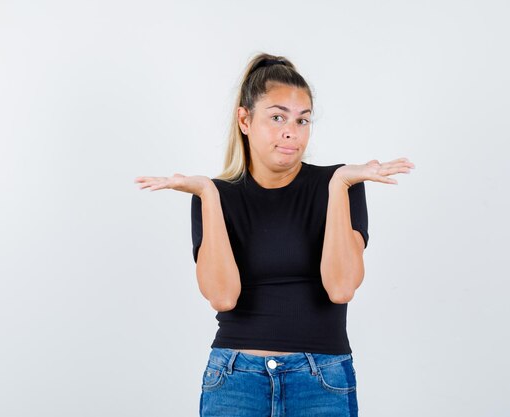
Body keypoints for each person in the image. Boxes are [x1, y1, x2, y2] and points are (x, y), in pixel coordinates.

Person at [134, 53, 415, 417]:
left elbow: (342, 287)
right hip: (235, 379)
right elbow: (222, 297)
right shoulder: (215, 196)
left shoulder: (343, 185)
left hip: (321, 380)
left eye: (303, 120)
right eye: (278, 117)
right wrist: (207, 192)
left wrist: (339, 184)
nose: (290, 132)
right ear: (245, 119)